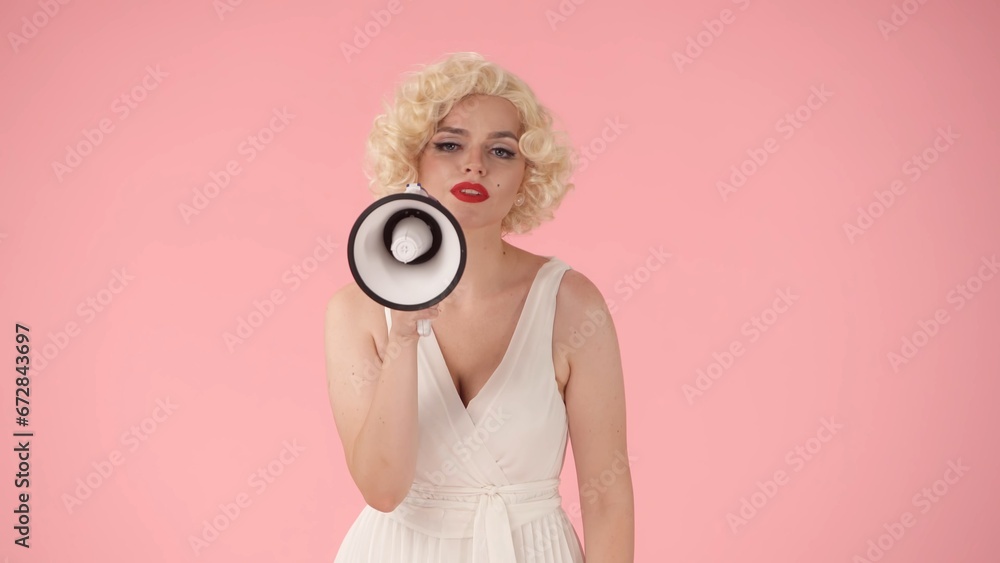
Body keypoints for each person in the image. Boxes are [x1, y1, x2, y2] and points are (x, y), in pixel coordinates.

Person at [325, 52, 634, 562]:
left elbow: (607, 497)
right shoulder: (353, 312)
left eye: (503, 151)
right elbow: (383, 489)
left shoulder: (572, 304)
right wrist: (403, 337)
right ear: (413, 159)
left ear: (526, 176)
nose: (475, 164)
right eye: (450, 144)